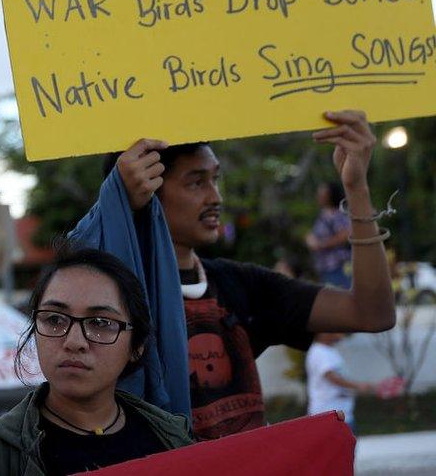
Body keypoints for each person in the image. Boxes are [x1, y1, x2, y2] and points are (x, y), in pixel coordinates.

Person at [73, 110, 395, 440]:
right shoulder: (111, 298)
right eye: (196, 182)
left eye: (216, 179)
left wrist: (356, 189)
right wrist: (116, 205)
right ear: (146, 189)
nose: (216, 198)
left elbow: (373, 313)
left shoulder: (242, 285)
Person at [0, 249, 192, 475]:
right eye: (54, 319)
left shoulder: (173, 439)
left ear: (137, 345)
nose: (74, 342)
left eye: (100, 323)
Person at [306, 333, 375, 432]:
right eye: (335, 329)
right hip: (327, 416)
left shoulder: (329, 350)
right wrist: (358, 386)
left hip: (342, 414)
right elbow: (331, 376)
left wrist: (359, 388)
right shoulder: (319, 351)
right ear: (322, 333)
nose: (340, 332)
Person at [306, 182, 353, 289]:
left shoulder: (338, 214)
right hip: (324, 266)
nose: (319, 196)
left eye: (322, 193)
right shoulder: (322, 214)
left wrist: (322, 244)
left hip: (338, 265)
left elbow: (347, 234)